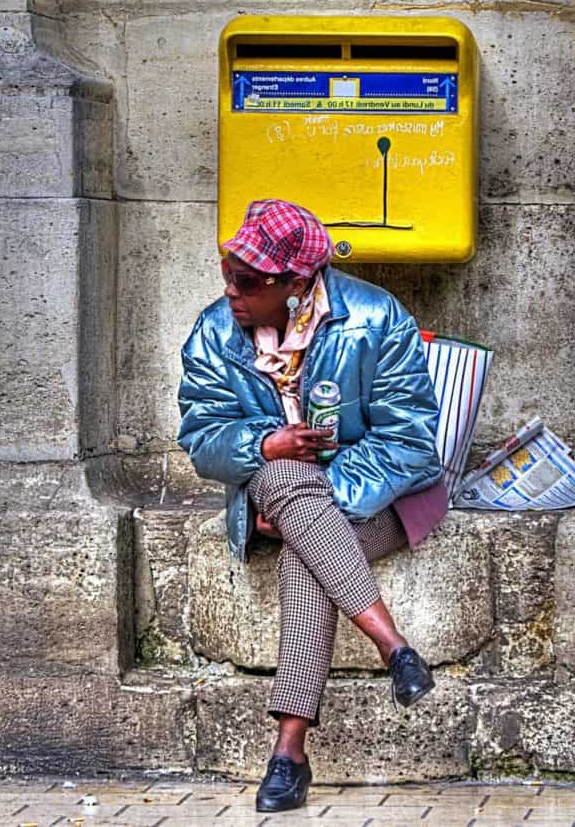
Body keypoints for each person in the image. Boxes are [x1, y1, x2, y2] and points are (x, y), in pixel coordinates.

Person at [176, 199, 447, 813]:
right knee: (282, 479)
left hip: (385, 497)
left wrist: (315, 501)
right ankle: (392, 649)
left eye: (246, 281)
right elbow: (202, 437)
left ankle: (289, 752)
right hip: (275, 489)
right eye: (226, 272)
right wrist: (265, 444)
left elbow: (408, 442)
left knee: (306, 546)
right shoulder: (215, 332)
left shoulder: (376, 318)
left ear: (297, 283)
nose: (231, 292)